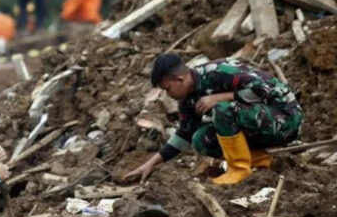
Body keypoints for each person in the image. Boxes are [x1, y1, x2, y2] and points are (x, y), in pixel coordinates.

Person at [123, 54, 303, 185]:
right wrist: (150, 164)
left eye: (168, 89)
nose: (168, 95)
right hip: (259, 125)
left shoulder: (220, 72)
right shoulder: (187, 100)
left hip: (285, 120)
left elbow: (263, 90)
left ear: (180, 79)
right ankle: (262, 162)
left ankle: (239, 170)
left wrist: (220, 97)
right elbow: (184, 135)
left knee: (222, 109)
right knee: (200, 139)